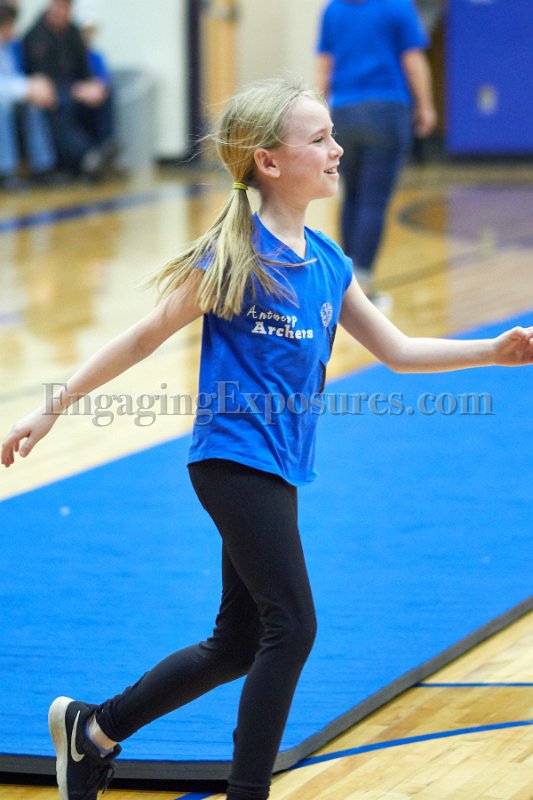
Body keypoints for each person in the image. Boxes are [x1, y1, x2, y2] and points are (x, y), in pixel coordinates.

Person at [2, 78, 533, 800]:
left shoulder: (328, 262)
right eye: (319, 138)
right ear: (270, 162)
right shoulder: (235, 256)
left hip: (278, 465)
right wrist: (53, 407)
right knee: (293, 625)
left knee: (238, 644)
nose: (337, 149)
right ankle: (247, 792)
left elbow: (400, 351)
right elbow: (142, 337)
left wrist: (490, 352)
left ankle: (93, 730)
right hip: (231, 460)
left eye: (332, 135)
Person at [316, 0, 438, 304]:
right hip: (386, 109)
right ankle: (363, 287)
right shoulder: (397, 6)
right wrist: (426, 106)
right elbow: (413, 60)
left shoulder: (333, 9)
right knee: (373, 200)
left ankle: (344, 282)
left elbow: (325, 64)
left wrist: (318, 113)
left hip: (344, 112)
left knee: (352, 196)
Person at [22, 0, 115, 180]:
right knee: (62, 102)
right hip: (50, 90)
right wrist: (74, 89)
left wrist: (90, 85)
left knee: (104, 93)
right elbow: (39, 77)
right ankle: (86, 156)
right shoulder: (35, 36)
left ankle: (105, 148)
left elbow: (84, 68)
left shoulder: (73, 33)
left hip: (75, 87)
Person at [0, 2, 56, 189]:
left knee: (32, 106)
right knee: (2, 108)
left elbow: (13, 78)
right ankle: (5, 171)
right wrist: (28, 88)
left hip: (10, 97)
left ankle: (42, 167)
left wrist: (33, 86)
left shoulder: (8, 49)